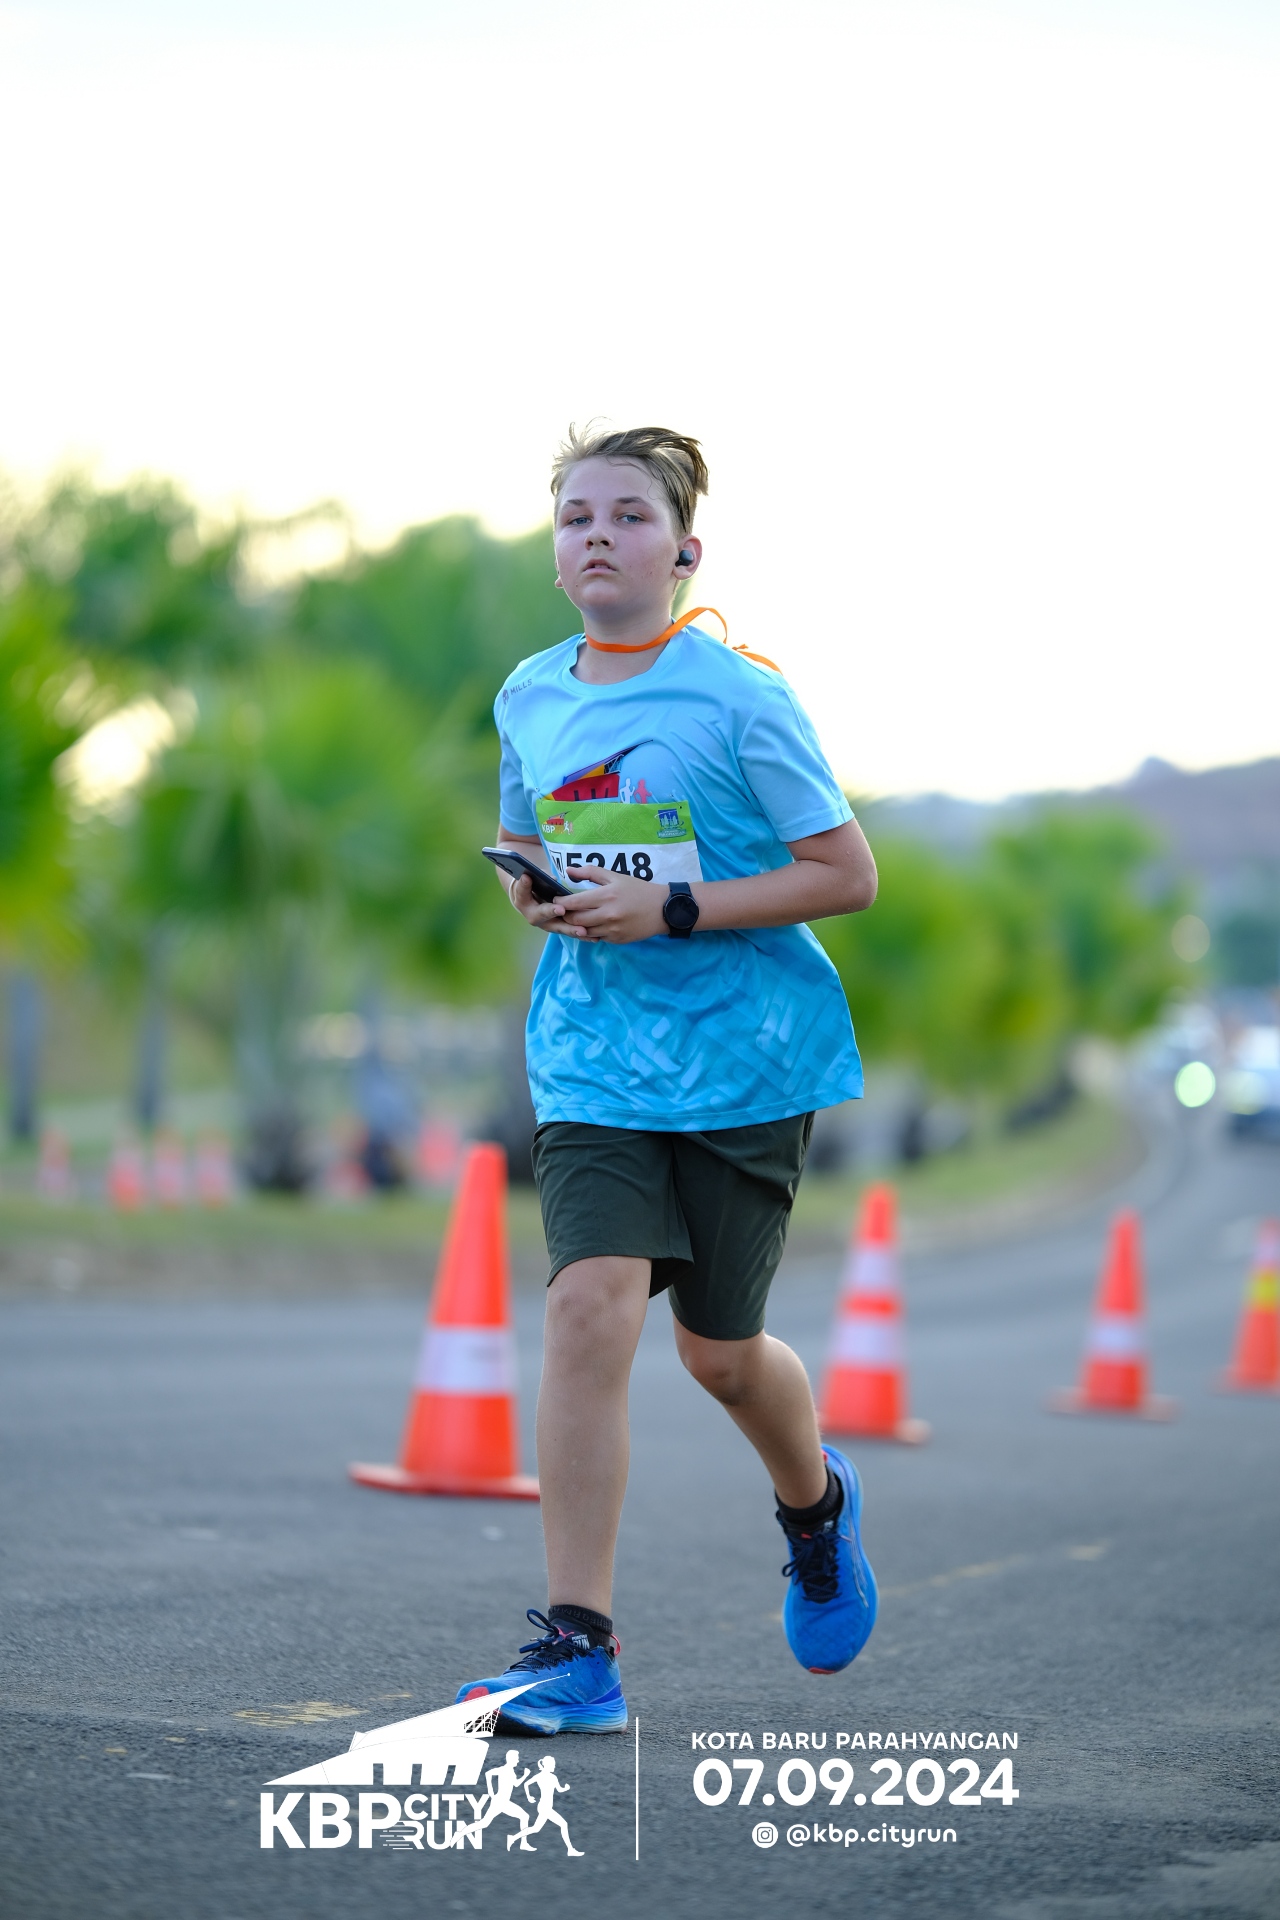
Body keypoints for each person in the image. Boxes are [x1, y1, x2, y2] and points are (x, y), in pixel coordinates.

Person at [456, 425, 879, 1734]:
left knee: (720, 1354)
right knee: (588, 1310)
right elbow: (529, 838)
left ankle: (815, 1508)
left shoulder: (742, 698)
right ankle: (577, 1652)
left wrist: (675, 910)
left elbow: (845, 875)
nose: (598, 533)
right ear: (555, 551)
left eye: (629, 515)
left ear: (684, 552)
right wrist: (542, 895)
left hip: (745, 1062)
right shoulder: (530, 695)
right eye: (576, 515)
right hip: (593, 1057)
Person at [523, 1755, 584, 1855]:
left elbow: (559, 1789)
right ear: (547, 1765)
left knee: (536, 1828)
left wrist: (566, 1788)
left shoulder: (552, 1777)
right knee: (563, 1824)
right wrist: (529, 1797)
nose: (554, 1766)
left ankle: (513, 1838)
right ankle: (570, 1850)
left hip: (546, 1807)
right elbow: (526, 1784)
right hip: (544, 1807)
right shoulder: (541, 1776)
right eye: (553, 1764)